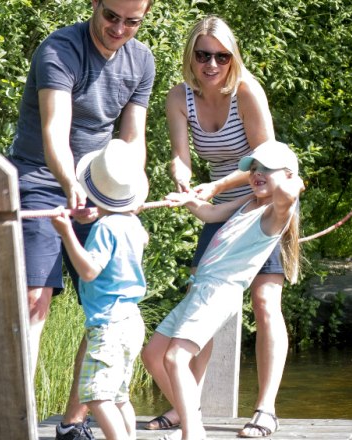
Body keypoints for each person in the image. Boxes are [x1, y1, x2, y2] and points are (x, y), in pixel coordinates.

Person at [7, 1, 155, 438]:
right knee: (36, 300)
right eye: (112, 17)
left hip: (102, 182)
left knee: (109, 305)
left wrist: (126, 195)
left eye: (132, 22)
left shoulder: (141, 59)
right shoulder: (59, 50)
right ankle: (20, 422)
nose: (119, 29)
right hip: (41, 176)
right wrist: (70, 183)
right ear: (94, 5)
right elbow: (55, 130)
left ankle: (74, 423)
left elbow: (132, 139)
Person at [139, 16, 287, 438]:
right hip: (219, 203)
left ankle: (265, 409)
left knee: (264, 300)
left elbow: (268, 160)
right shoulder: (178, 97)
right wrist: (182, 178)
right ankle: (190, 404)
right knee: (199, 300)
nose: (211, 64)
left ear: (231, 58)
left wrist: (219, 184)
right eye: (203, 55)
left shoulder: (246, 91)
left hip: (262, 199)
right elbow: (181, 156)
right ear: (191, 56)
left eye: (221, 56)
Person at [145, 140, 304, 440]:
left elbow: (286, 193)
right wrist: (189, 201)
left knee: (176, 358)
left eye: (266, 170)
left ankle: (193, 433)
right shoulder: (249, 201)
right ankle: (189, 410)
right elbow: (210, 215)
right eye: (254, 169)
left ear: (285, 175)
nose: (257, 174)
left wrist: (293, 179)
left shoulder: (274, 214)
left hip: (219, 292)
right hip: (200, 288)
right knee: (153, 355)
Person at [51, 139, 150, 440]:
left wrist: (67, 233)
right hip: (132, 321)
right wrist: (104, 213)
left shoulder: (104, 229)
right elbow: (128, 229)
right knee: (120, 397)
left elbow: (89, 270)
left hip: (108, 324)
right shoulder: (132, 224)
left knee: (95, 396)